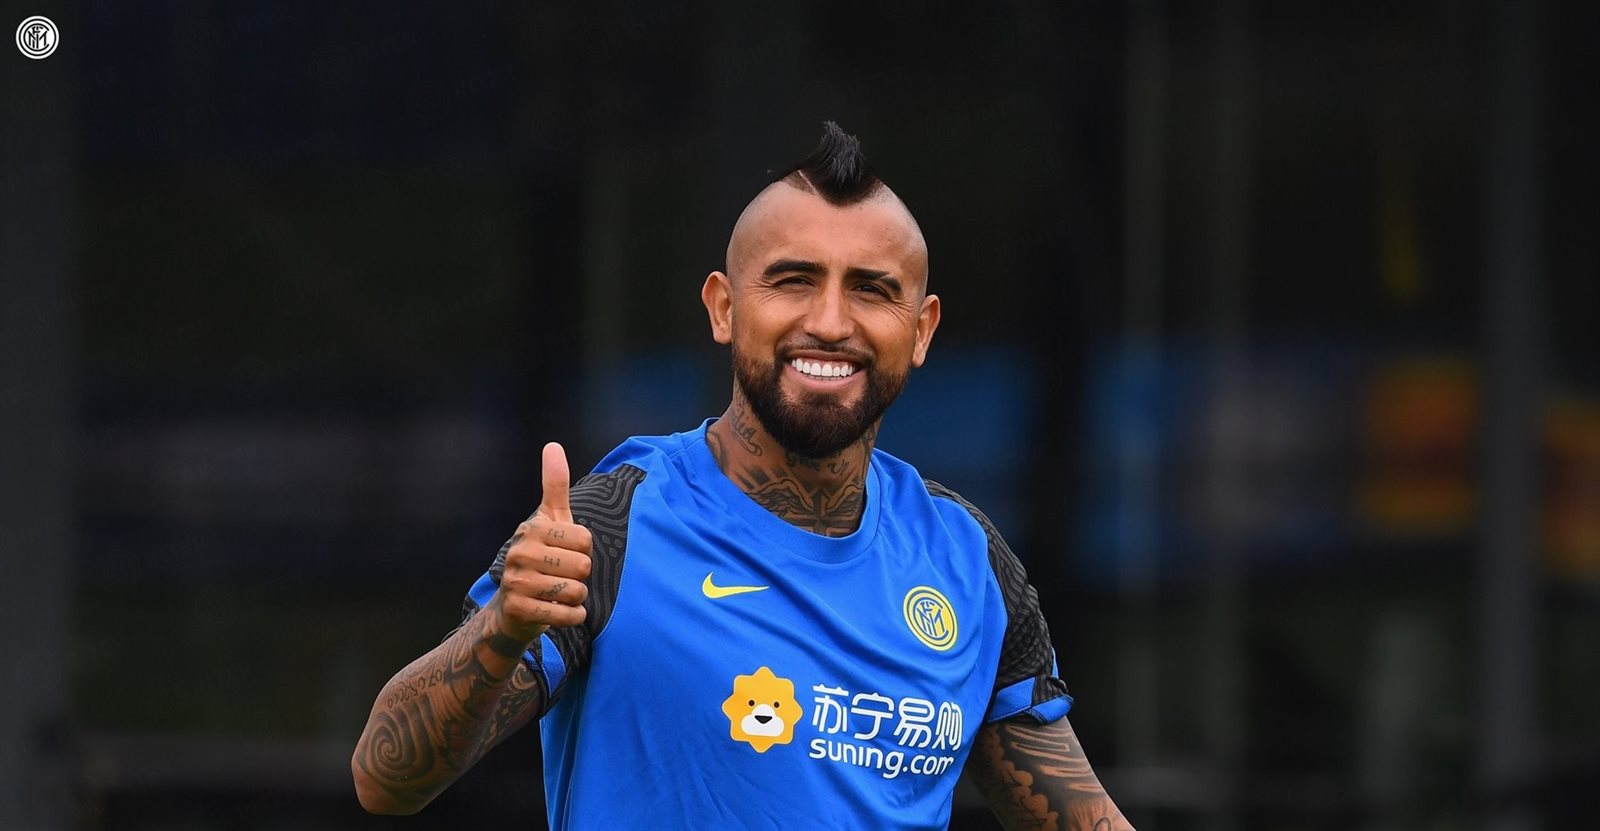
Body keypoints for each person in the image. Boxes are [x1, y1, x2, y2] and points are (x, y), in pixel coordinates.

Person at [352, 122, 1136, 831]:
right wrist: (503, 628)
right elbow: (384, 779)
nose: (830, 321)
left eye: (871, 288)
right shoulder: (614, 526)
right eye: (793, 280)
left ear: (922, 328)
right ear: (723, 308)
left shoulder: (967, 562)